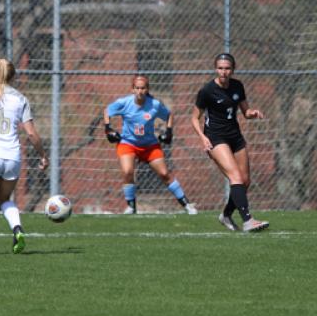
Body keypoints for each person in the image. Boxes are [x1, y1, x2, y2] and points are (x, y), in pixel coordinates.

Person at [0, 58, 49, 255]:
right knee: (4, 198)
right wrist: (43, 155)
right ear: (13, 76)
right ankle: (17, 228)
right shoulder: (21, 99)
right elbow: (31, 133)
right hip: (12, 156)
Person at [191, 53, 269, 232]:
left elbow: (245, 111)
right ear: (215, 69)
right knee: (235, 178)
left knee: (245, 181)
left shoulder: (237, 86)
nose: (223, 72)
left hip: (235, 136)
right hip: (216, 138)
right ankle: (248, 220)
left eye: (227, 68)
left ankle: (226, 215)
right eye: (220, 68)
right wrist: (203, 138)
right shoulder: (207, 91)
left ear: (233, 70)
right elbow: (194, 118)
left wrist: (252, 113)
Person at [104, 74, 197, 215]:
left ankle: (187, 205)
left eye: (143, 88)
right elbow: (107, 111)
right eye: (137, 88)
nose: (140, 91)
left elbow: (169, 115)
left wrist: (169, 131)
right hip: (128, 143)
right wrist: (108, 129)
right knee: (128, 171)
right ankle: (131, 206)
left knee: (165, 174)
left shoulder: (154, 104)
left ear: (147, 89)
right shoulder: (124, 103)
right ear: (132, 89)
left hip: (149, 145)